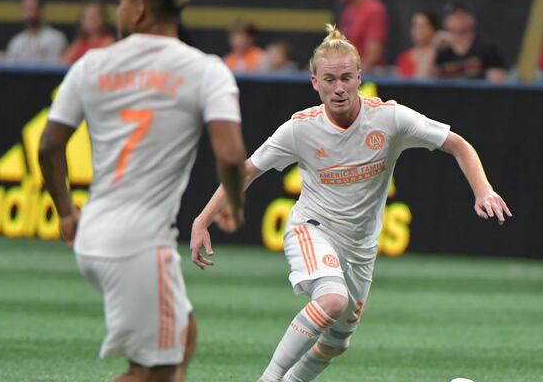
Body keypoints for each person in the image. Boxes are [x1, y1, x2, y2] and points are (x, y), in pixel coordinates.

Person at [191, 24, 512, 382]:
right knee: (331, 300)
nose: (339, 88)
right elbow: (246, 172)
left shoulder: (390, 118)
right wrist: (202, 220)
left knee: (336, 344)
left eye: (346, 77)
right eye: (329, 79)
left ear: (360, 77)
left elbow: (458, 144)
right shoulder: (299, 129)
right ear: (315, 82)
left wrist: (483, 190)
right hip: (312, 230)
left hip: (361, 249)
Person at [38, 0, 246, 382]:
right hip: (138, 243)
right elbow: (229, 155)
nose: (119, 12)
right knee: (152, 372)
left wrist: (65, 209)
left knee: (183, 331)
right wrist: (236, 205)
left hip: (95, 231)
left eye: (121, 3)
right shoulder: (206, 70)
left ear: (137, 9)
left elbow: (48, 147)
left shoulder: (91, 64)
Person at [330, 0, 388, 70]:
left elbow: (373, 54)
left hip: (367, 80)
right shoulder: (348, 11)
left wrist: (354, 75)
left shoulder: (374, 10)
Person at [435, 1, 507, 82]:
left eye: (462, 15)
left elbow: (499, 80)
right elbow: (425, 79)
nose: (459, 20)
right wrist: (433, 49)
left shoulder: (486, 48)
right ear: (446, 22)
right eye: (454, 16)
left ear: (472, 19)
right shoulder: (441, 51)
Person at [5, 0, 67, 64]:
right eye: (26, 8)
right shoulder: (16, 42)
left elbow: (58, 68)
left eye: (32, 8)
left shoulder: (56, 39)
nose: (29, 13)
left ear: (41, 10)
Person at [62, 0, 115, 64]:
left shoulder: (109, 42)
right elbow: (65, 62)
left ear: (104, 19)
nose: (92, 20)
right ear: (81, 20)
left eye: (96, 16)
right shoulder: (78, 44)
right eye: (88, 16)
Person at [396, 11, 440, 78]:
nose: (418, 30)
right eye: (415, 26)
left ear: (433, 29)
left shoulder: (440, 54)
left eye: (423, 26)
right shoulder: (404, 57)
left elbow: (422, 78)